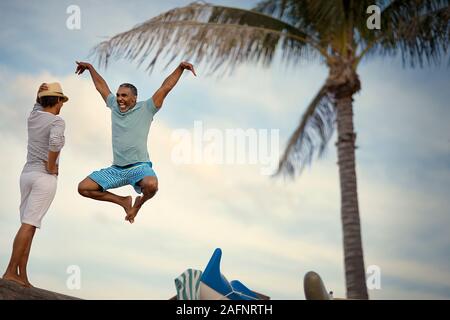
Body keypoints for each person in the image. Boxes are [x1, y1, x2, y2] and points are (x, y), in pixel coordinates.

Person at [76, 61, 196, 223]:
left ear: (134, 98)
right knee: (83, 188)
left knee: (152, 185)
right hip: (116, 169)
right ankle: (123, 201)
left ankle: (138, 205)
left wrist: (180, 68)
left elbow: (165, 87)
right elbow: (101, 87)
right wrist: (90, 68)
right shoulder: (113, 105)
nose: (119, 99)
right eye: (118, 95)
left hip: (139, 167)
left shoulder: (147, 108)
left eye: (124, 95)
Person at [2, 83, 68, 287]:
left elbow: (36, 106)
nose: (62, 105)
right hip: (43, 177)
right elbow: (55, 143)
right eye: (61, 101)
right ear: (57, 100)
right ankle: (10, 271)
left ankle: (22, 275)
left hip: (26, 175)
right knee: (29, 225)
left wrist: (37, 95)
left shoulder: (33, 117)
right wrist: (50, 165)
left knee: (29, 226)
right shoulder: (57, 121)